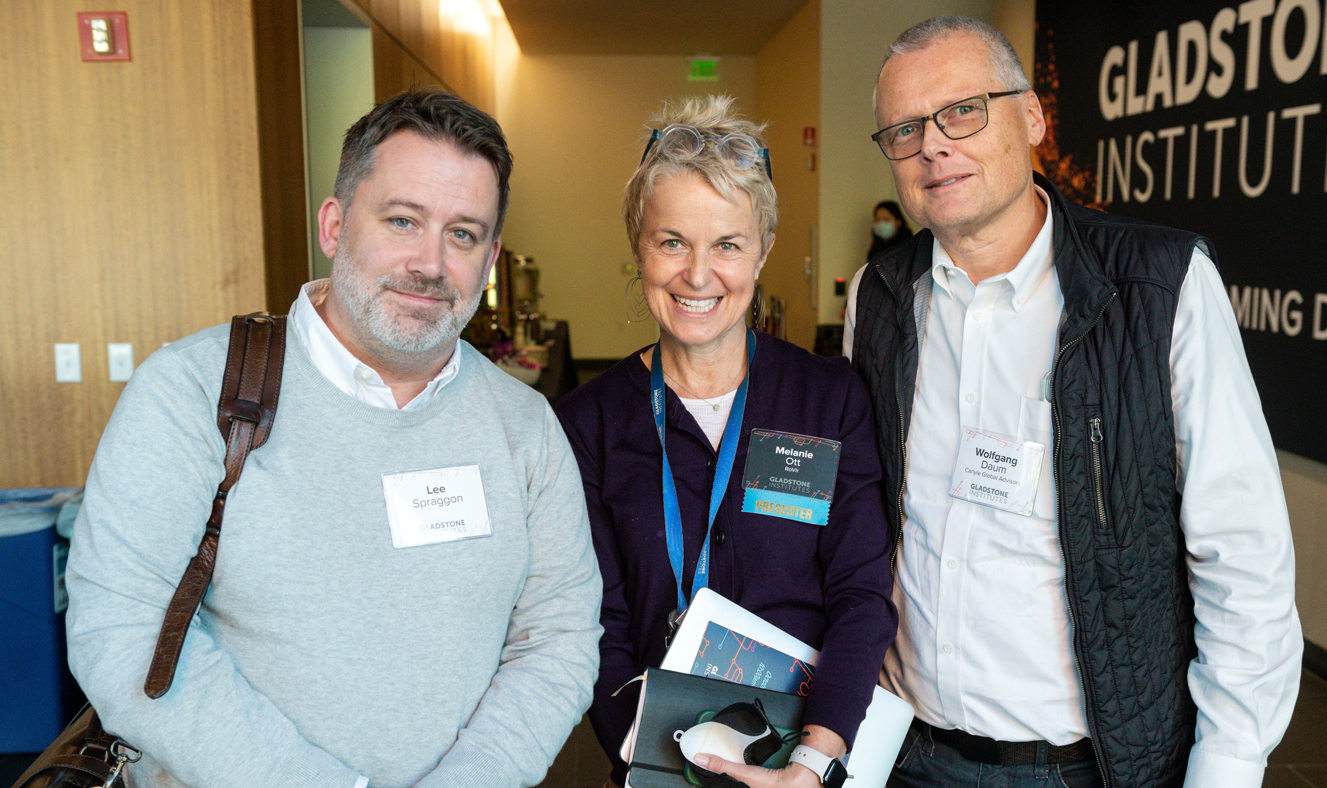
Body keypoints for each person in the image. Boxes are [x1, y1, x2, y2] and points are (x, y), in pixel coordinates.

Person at [65, 88, 602, 788]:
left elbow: (556, 641)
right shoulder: (194, 394)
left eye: (463, 234)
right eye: (403, 220)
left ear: (491, 257)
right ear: (334, 224)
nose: (431, 264)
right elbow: (123, 631)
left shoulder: (524, 425)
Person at [844, 16, 1302, 788]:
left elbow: (1242, 552)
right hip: (905, 754)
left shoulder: (1160, 286)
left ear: (1031, 116)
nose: (933, 145)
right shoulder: (880, 295)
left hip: (1088, 768)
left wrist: (1226, 766)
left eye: (962, 111)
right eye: (904, 128)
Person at [555, 96, 896, 788]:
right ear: (638, 245)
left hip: (814, 756)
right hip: (652, 759)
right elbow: (597, 622)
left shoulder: (829, 399)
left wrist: (813, 760)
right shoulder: (586, 423)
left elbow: (861, 595)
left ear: (764, 249)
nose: (699, 274)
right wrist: (652, 765)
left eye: (728, 244)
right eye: (672, 241)